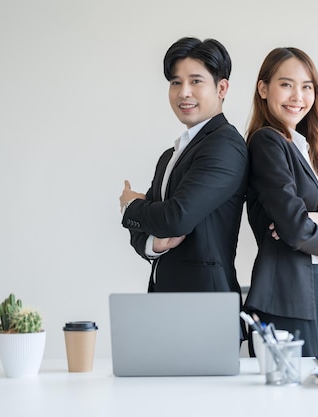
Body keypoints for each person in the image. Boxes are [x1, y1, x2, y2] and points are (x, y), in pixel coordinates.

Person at [243, 47, 318, 357]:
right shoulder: (267, 142)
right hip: (283, 295)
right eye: (286, 84)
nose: (298, 95)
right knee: (292, 403)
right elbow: (295, 228)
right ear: (263, 88)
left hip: (316, 291)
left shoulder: (307, 150)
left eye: (306, 86)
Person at [119, 37, 248, 301]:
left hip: (207, 305)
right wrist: (152, 243)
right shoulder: (170, 156)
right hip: (167, 302)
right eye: (176, 82)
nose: (183, 92)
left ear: (222, 88)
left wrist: (131, 206)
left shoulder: (225, 144)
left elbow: (176, 217)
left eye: (195, 81)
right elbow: (150, 226)